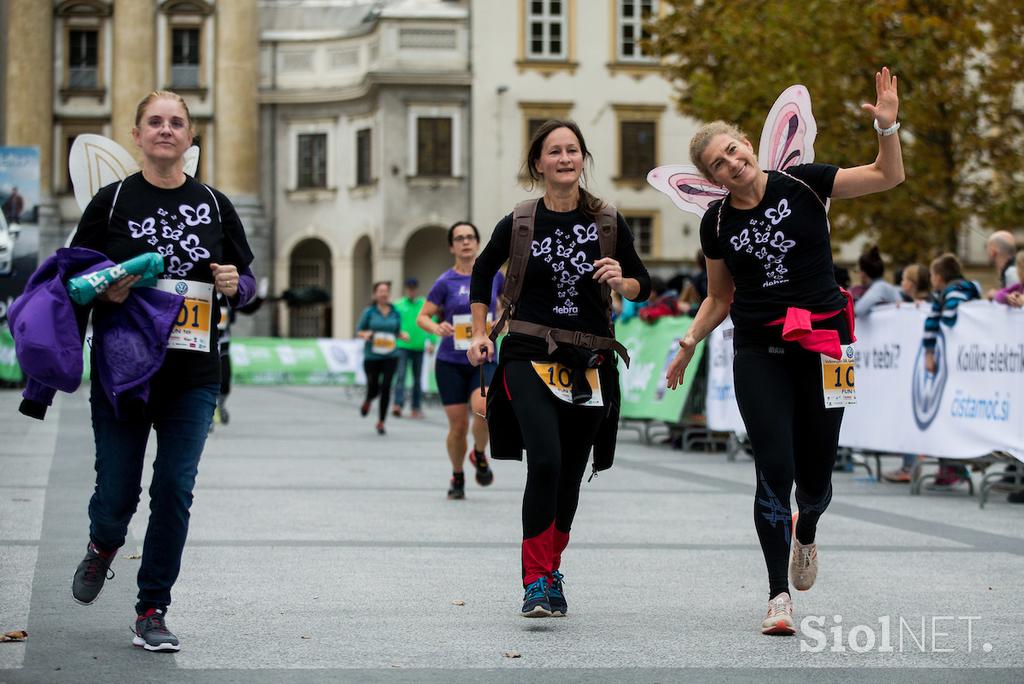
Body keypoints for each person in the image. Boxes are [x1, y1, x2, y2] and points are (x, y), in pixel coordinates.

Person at [663, 68, 904, 635]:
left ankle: (809, 530)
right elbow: (719, 297)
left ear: (748, 144)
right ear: (711, 178)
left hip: (826, 345)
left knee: (816, 476)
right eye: (717, 165)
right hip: (759, 348)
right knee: (774, 466)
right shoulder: (717, 224)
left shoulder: (806, 182)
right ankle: (777, 597)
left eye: (732, 151)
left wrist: (889, 128)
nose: (731, 164)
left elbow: (886, 177)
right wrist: (689, 342)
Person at [66, 91, 256, 651]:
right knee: (118, 495)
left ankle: (152, 607)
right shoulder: (112, 200)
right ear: (138, 134)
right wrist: (109, 286)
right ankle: (103, 545)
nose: (166, 130)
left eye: (177, 122)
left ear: (191, 137)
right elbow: (75, 279)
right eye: (155, 121)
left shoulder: (217, 205)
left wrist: (233, 285)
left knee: (173, 489)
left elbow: (249, 285)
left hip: (193, 375)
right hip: (123, 374)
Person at [468, 120, 651, 618]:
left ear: (583, 159)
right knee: (545, 460)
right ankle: (533, 581)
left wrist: (623, 281)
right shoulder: (521, 220)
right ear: (539, 164)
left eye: (573, 150)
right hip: (528, 352)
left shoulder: (608, 221)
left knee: (570, 474)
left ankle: (551, 571)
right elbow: (483, 272)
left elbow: (644, 283)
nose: (565, 158)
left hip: (589, 360)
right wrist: (480, 332)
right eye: (555, 151)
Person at [417, 221, 503, 500]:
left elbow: (509, 306)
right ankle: (457, 475)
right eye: (459, 238)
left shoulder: (494, 276)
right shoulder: (445, 282)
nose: (465, 242)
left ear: (478, 243)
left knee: (483, 409)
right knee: (458, 426)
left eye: (470, 237)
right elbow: (423, 316)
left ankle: (478, 453)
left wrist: (503, 322)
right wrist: (436, 327)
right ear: (452, 246)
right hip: (450, 361)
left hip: (484, 356)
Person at [356, 281, 407, 435]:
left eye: (386, 291)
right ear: (375, 294)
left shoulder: (395, 312)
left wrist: (402, 335)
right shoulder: (369, 312)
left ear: (389, 294)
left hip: (391, 355)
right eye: (380, 291)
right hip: (372, 356)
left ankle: (381, 421)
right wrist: (365, 334)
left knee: (386, 388)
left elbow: (397, 331)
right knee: (374, 387)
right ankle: (368, 400)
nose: (383, 294)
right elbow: (359, 330)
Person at [392, 277, 430, 418]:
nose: (411, 292)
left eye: (413, 289)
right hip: (402, 346)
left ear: (416, 290)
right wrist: (397, 333)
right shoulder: (398, 305)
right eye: (409, 289)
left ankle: (416, 407)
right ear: (406, 290)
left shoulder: (423, 303)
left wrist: (431, 341)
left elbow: (431, 320)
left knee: (417, 378)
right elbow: (393, 322)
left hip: (418, 346)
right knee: (401, 376)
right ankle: (397, 404)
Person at [853, 245, 902, 317]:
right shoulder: (885, 287)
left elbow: (858, 310)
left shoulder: (879, 287)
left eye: (859, 271)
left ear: (863, 273)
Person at [985, 230, 1019, 298]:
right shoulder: (1015, 269)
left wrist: (997, 295)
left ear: (993, 251)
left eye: (987, 247)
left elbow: (1017, 302)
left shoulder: (1012, 273)